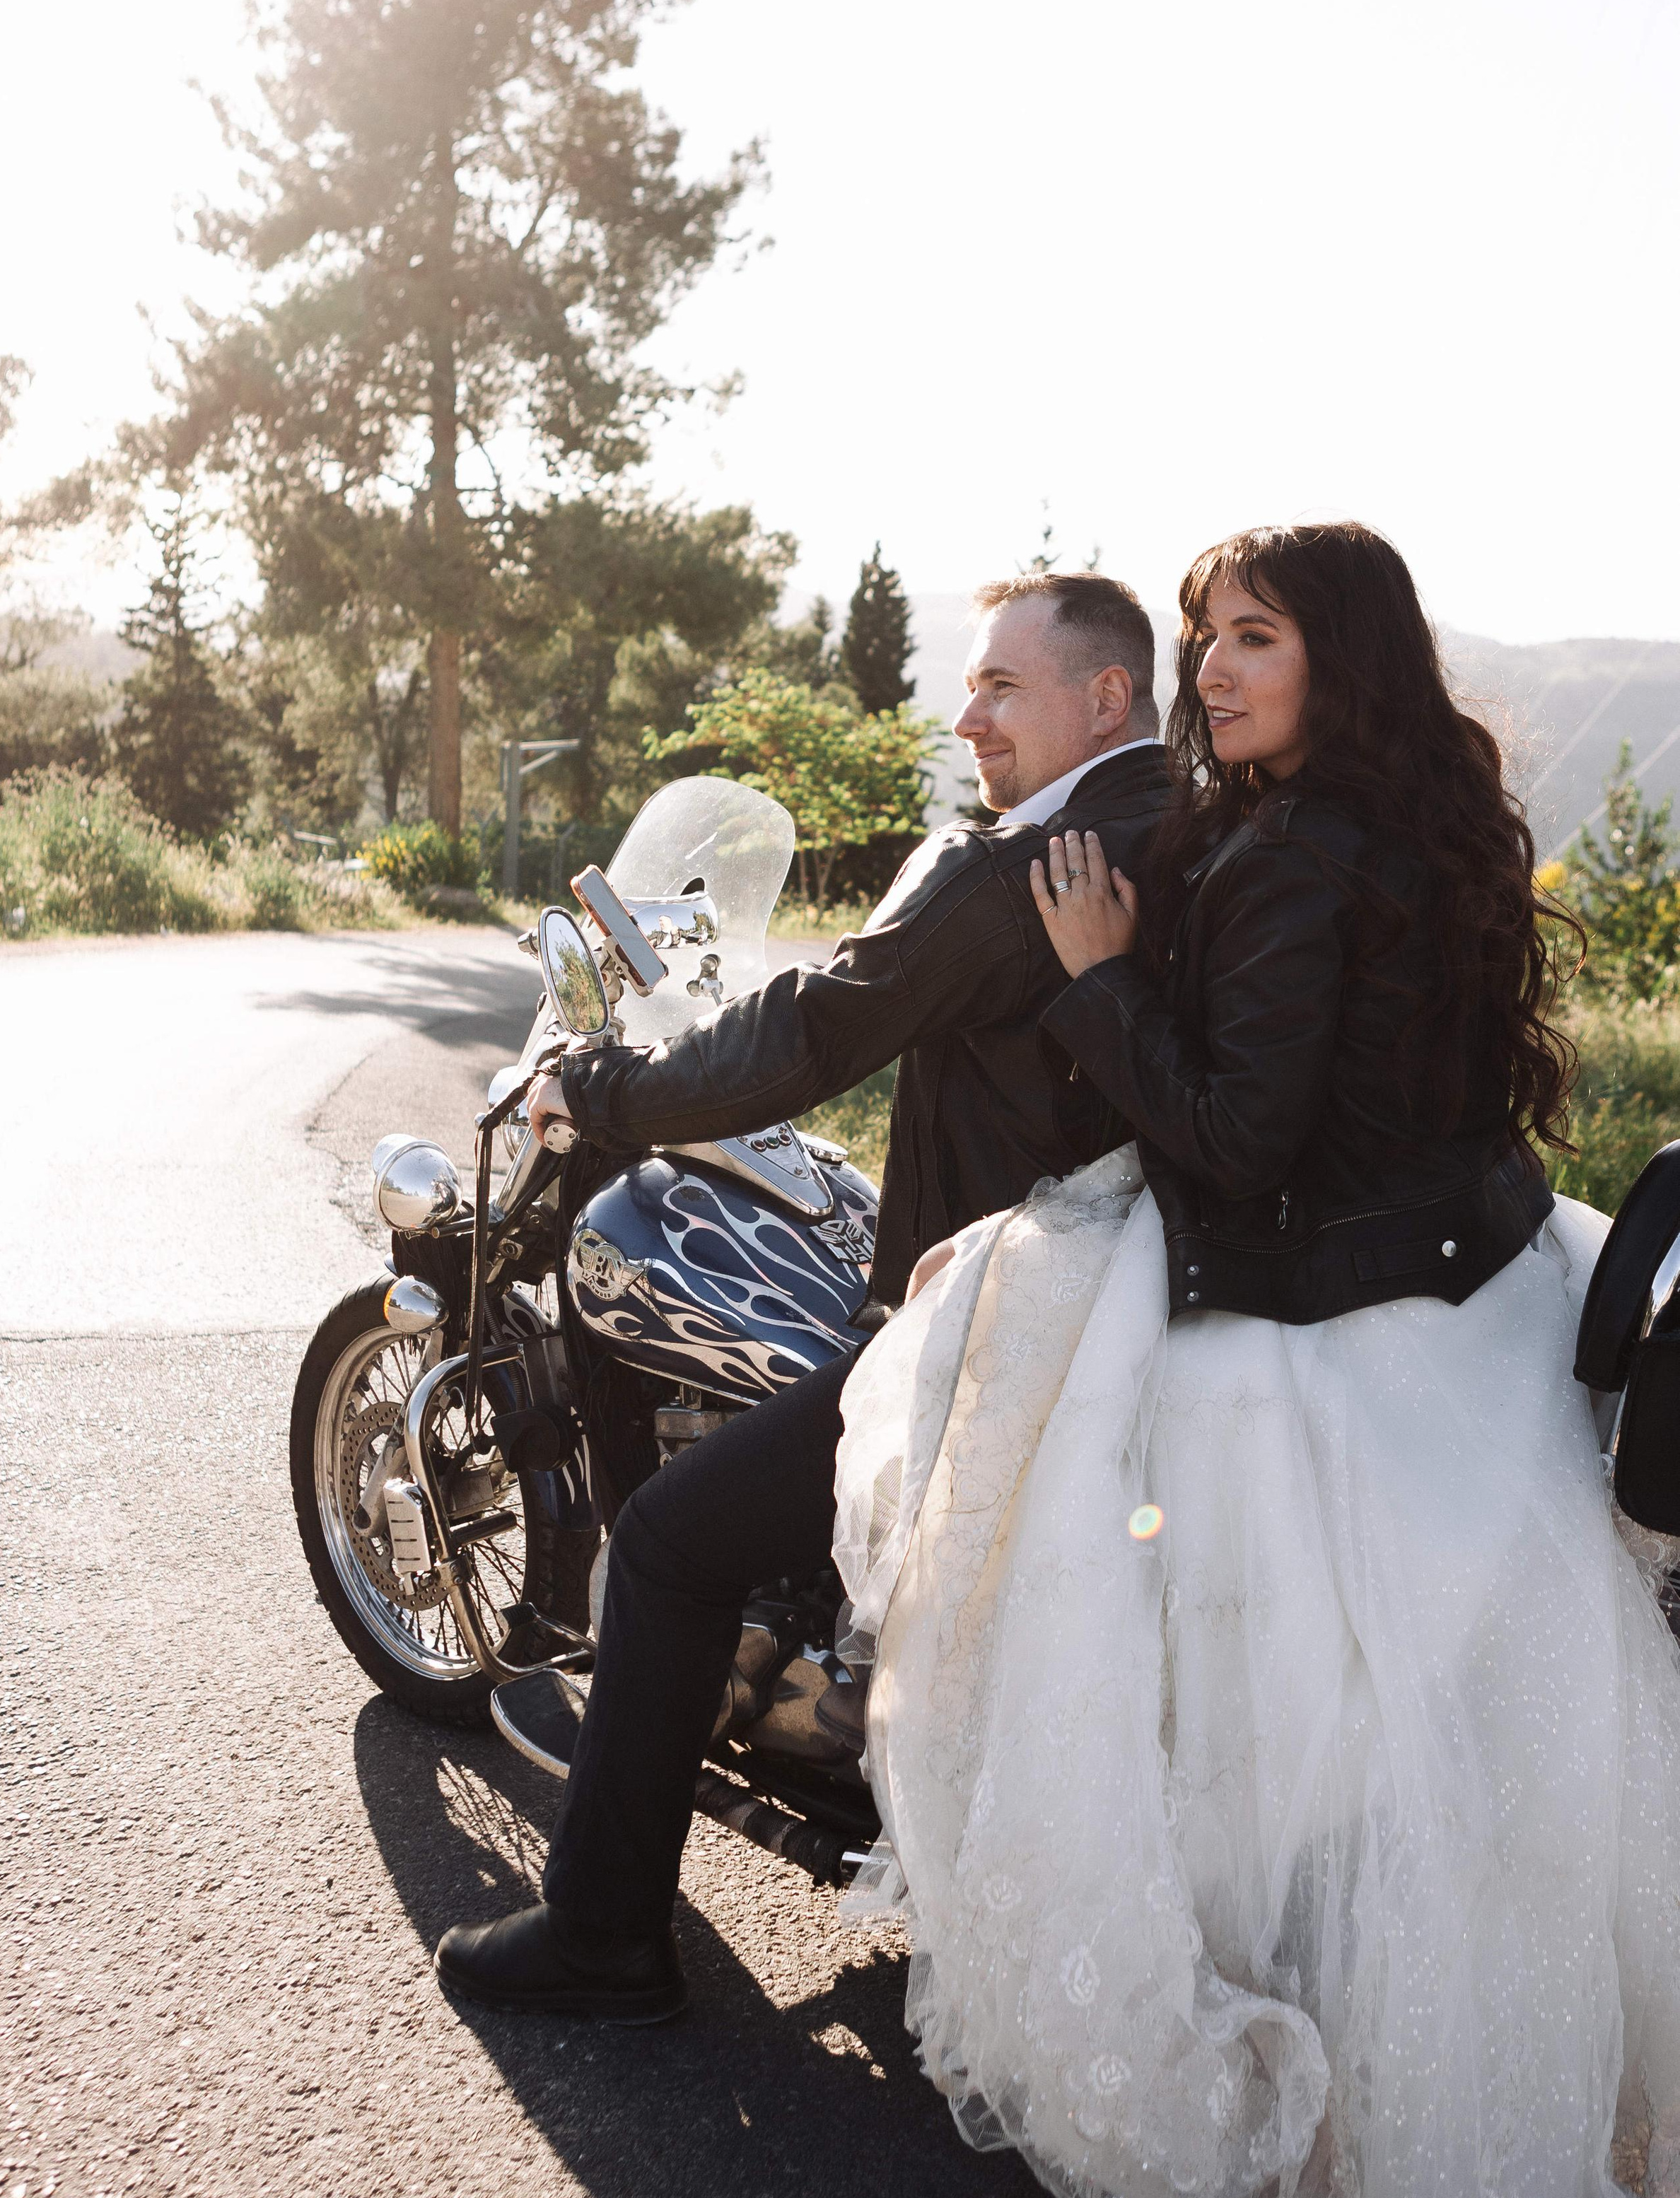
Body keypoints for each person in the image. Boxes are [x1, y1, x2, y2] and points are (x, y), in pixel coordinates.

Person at [830, 522, 1680, 2198]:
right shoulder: (1420, 830)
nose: (1214, 668)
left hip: (1305, 1333)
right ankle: (1557, 2140)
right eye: (1205, 633)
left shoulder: (1296, 856)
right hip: (1473, 1297)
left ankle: (1317, 2171)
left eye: (1253, 639)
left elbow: (1225, 1147)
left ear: (1342, 660)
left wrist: (1098, 981)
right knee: (1476, 1817)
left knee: (1209, 1755)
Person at [433, 571, 1176, 2018]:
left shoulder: (1025, 865)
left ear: (1104, 698)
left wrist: (612, 1088)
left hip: (994, 1314)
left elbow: (819, 1022)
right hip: (1140, 1305)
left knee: (664, 1542)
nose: (965, 716)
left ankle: (602, 1936)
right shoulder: (1193, 832)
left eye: (1001, 689)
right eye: (966, 686)